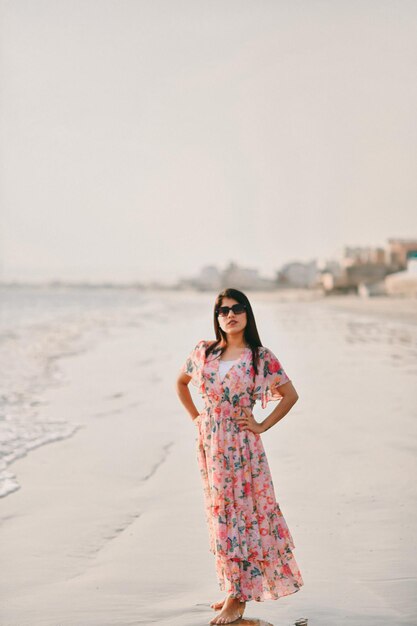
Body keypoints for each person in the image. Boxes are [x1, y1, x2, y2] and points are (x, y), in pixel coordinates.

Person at [176, 288, 304, 625]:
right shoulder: (204, 352)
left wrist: (261, 424)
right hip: (211, 446)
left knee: (244, 516)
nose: (230, 315)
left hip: (243, 449)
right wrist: (197, 418)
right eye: (223, 310)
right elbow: (181, 382)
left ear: (247, 313)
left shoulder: (260, 357)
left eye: (237, 308)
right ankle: (234, 588)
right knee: (221, 516)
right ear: (216, 317)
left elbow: (290, 395)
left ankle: (239, 597)